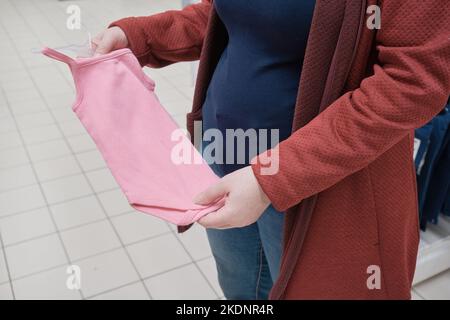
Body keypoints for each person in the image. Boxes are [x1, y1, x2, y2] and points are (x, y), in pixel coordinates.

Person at [92, 0, 450, 299]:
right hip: (224, 162)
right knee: (242, 290)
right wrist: (138, 35)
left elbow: (412, 82)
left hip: (321, 187)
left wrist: (273, 178)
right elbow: (229, 16)